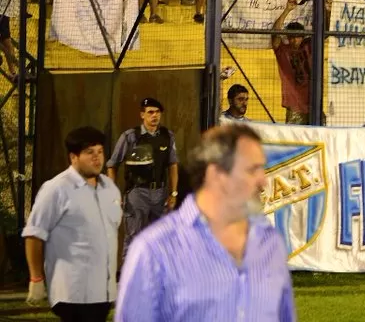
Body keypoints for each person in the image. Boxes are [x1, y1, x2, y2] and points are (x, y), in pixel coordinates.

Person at [114, 125, 295, 322]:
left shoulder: (270, 243)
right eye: (252, 170)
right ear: (216, 174)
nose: (263, 181)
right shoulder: (154, 249)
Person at [23, 126, 121, 322]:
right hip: (73, 291)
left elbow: (111, 232)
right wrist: (36, 278)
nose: (97, 158)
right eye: (89, 152)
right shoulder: (57, 189)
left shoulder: (110, 188)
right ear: (73, 157)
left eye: (100, 152)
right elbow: (34, 234)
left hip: (103, 291)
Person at [105, 98, 179, 258]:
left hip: (159, 193)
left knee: (160, 238)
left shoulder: (167, 136)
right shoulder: (130, 137)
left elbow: (173, 165)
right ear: (142, 115)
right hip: (137, 193)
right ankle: (130, 278)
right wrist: (114, 194)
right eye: (150, 112)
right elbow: (112, 165)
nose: (155, 116)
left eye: (158, 112)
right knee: (134, 237)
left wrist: (173, 194)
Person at [271, 0, 312, 124]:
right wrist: (287, 10)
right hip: (294, 105)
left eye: (298, 37)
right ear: (288, 37)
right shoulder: (283, 50)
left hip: (313, 103)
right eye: (291, 37)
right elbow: (275, 32)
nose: (294, 41)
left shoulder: (309, 47)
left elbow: (325, 31)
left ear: (303, 37)